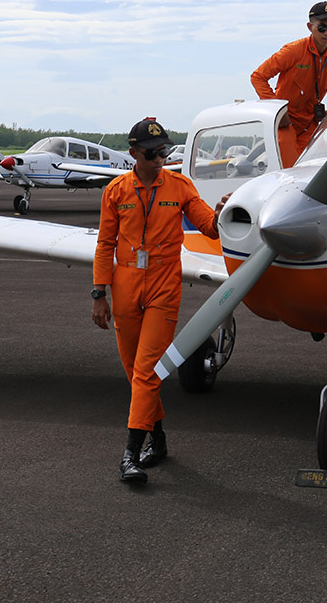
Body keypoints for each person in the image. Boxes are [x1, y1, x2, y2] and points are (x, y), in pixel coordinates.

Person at [91, 117, 229, 483]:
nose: (160, 159)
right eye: (152, 153)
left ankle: (130, 454)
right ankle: (160, 440)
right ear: (134, 153)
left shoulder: (181, 187)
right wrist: (98, 294)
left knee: (148, 371)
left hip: (164, 287)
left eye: (164, 151)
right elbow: (105, 244)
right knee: (135, 373)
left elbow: (210, 226)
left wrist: (227, 212)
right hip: (125, 286)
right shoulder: (116, 192)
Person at [251, 1, 327, 162]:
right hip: (287, 121)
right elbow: (258, 77)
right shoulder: (293, 51)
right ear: (310, 27)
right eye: (322, 27)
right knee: (289, 168)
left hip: (312, 120)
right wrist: (277, 111)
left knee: (313, 166)